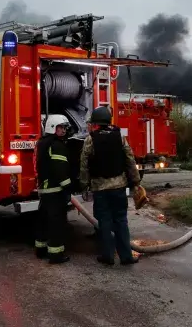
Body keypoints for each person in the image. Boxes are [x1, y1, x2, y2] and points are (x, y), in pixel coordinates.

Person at [79, 106, 141, 266]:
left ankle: (107, 256)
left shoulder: (90, 140)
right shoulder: (119, 137)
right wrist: (135, 182)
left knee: (104, 222)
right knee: (121, 220)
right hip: (119, 187)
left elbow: (84, 165)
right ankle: (126, 257)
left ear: (96, 123)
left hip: (100, 189)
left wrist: (84, 185)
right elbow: (130, 159)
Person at [34, 114, 73, 264]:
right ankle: (56, 255)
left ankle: (41, 250)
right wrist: (68, 187)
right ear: (52, 128)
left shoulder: (42, 143)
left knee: (42, 222)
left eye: (64, 128)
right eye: (61, 127)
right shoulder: (57, 145)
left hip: (44, 190)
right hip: (54, 191)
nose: (64, 130)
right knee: (57, 224)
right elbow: (60, 170)